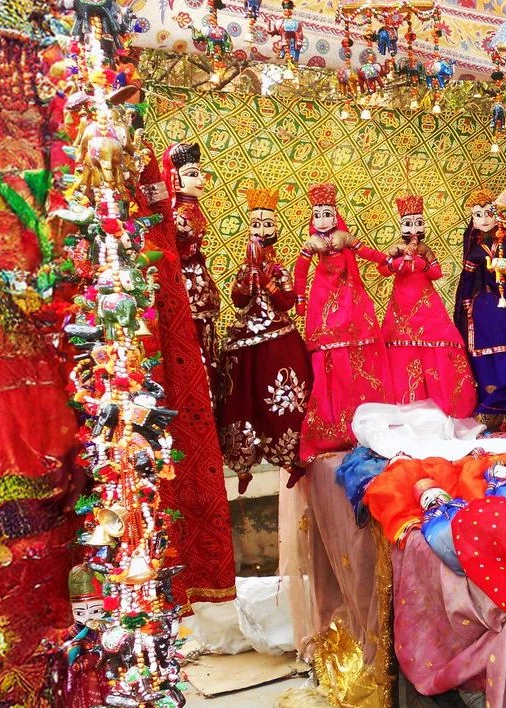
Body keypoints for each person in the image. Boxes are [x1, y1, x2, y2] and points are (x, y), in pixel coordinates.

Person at [219, 187, 310, 491]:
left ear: (276, 230)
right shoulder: (245, 269)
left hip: (278, 340)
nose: (261, 230)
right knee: (240, 401)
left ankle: (291, 461)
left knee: (284, 401)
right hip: (245, 342)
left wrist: (268, 281)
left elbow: (287, 301)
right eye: (256, 224)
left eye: (267, 224)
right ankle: (243, 468)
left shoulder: (279, 270)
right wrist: (248, 279)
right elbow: (238, 301)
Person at [294, 182, 388, 461]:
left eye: (327, 214)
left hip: (350, 299)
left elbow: (368, 254)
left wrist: (387, 260)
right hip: (323, 302)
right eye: (317, 215)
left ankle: (363, 422)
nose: (323, 220)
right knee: (328, 360)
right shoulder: (312, 244)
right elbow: (301, 271)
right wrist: (300, 299)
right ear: (312, 219)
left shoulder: (344, 238)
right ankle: (334, 425)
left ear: (336, 216)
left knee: (358, 358)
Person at [380, 194, 476, 418]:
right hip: (402, 305)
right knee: (402, 343)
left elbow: (437, 273)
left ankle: (444, 402)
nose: (414, 228)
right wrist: (399, 261)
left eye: (418, 223)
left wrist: (421, 264)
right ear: (401, 226)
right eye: (408, 223)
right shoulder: (397, 249)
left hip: (427, 305)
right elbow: (383, 270)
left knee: (435, 341)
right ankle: (407, 403)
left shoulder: (425, 249)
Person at [455, 189, 506, 426]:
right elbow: (467, 281)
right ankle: (491, 405)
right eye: (478, 215)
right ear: (473, 220)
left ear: (497, 217)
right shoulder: (476, 253)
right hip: (485, 306)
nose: (485, 219)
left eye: (489, 213)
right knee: (489, 354)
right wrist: (467, 305)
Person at [161, 141, 221, 385]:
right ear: (175, 178)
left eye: (199, 173)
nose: (200, 180)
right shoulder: (175, 215)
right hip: (182, 284)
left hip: (198, 283)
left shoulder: (192, 209)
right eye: (192, 174)